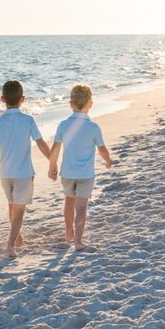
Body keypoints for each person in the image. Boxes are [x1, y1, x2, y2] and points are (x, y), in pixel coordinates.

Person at [0, 79, 51, 258]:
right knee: (19, 208)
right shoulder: (28, 120)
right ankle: (11, 243)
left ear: (2, 99)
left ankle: (16, 237)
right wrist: (52, 161)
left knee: (12, 206)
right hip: (24, 173)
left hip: (5, 173)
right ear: (22, 99)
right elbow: (40, 143)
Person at [47, 84, 113, 250]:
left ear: (71, 104)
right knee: (82, 206)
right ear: (91, 104)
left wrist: (52, 167)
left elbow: (55, 149)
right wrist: (107, 160)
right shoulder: (93, 128)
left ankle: (69, 232)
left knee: (69, 202)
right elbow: (102, 149)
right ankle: (78, 240)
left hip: (67, 173)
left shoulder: (63, 125)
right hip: (86, 175)